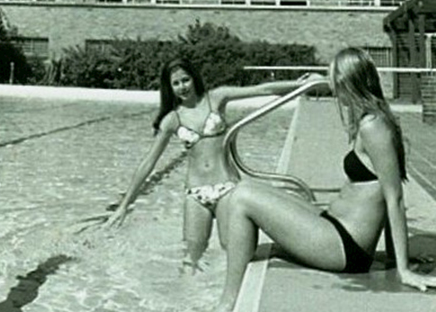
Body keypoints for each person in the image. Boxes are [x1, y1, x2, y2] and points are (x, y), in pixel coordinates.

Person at [213, 48, 436, 312]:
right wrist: (396, 255)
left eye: (335, 82)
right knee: (245, 188)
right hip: (334, 226)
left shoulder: (374, 127)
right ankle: (231, 276)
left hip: (344, 247)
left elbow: (393, 197)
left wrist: (404, 269)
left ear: (350, 83)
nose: (334, 90)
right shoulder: (371, 117)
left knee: (242, 198)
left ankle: (228, 302)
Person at [105, 59, 321, 271]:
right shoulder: (171, 119)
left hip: (227, 187)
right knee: (191, 257)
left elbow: (263, 89)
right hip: (196, 193)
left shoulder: (216, 98)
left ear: (194, 77)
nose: (183, 87)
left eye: (185, 79)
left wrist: (304, 85)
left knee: (236, 251)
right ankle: (186, 300)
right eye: (176, 83)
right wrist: (124, 205)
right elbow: (149, 162)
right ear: (169, 88)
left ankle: (291, 244)